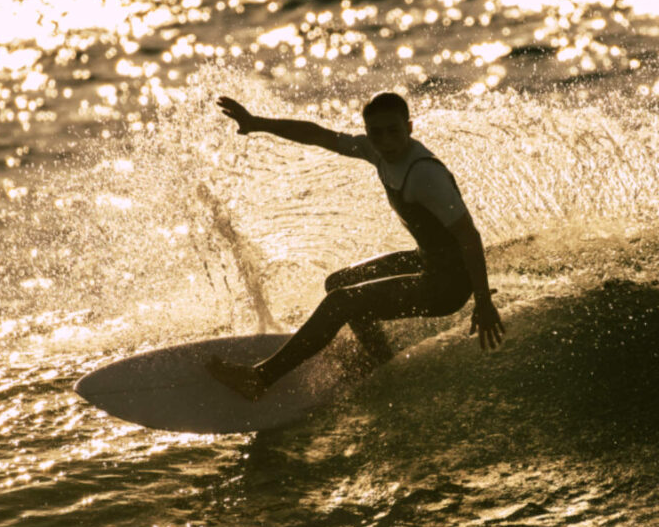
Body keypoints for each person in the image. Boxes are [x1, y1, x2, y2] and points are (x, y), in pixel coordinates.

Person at [207, 92, 504, 400]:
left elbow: (469, 236)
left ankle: (260, 378)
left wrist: (482, 301)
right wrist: (257, 123)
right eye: (376, 133)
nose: (386, 141)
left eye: (394, 131)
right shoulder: (374, 151)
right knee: (339, 283)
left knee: (341, 302)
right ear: (368, 132)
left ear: (410, 128)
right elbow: (317, 135)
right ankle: (380, 365)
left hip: (449, 284)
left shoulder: (425, 174)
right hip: (428, 260)